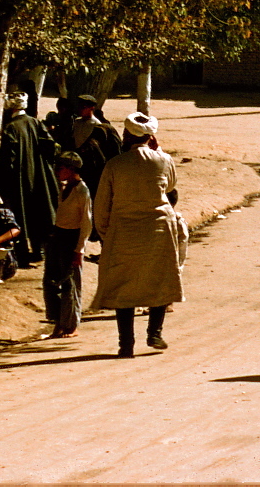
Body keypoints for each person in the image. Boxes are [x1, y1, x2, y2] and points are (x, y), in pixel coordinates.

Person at [93, 112, 186, 358]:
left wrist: (106, 233)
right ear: (150, 136)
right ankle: (154, 333)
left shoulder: (115, 164)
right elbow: (169, 186)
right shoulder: (164, 160)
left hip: (124, 231)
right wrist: (159, 151)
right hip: (158, 230)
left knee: (124, 287)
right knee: (158, 280)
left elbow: (102, 205)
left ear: (125, 135)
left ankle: (126, 344)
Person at [0, 91, 58, 266]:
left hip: (20, 178)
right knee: (38, 212)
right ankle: (39, 250)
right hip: (39, 175)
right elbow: (50, 145)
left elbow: (8, 158)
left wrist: (3, 178)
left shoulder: (11, 128)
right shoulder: (35, 123)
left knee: (20, 214)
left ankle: (22, 254)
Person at [45, 153, 93, 339]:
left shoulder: (82, 191)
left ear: (71, 169)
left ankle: (71, 325)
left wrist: (79, 249)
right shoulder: (63, 188)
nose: (57, 172)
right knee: (52, 281)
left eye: (61, 168)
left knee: (70, 283)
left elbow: (86, 222)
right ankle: (58, 321)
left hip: (72, 239)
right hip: (58, 236)